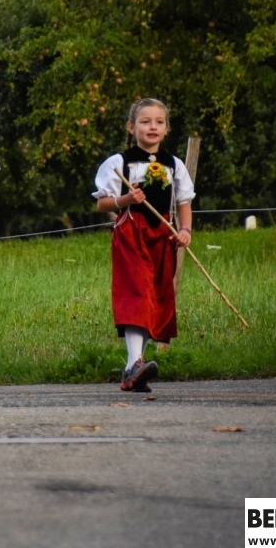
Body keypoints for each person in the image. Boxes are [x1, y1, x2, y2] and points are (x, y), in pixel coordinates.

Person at [93, 98, 194, 393]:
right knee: (137, 292)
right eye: (145, 121)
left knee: (155, 296)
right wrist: (126, 199)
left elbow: (184, 202)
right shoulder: (119, 163)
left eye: (159, 122)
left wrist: (185, 230)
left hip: (162, 235)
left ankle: (132, 370)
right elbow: (102, 203)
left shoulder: (174, 164)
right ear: (131, 127)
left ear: (167, 128)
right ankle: (136, 362)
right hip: (131, 234)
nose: (153, 126)